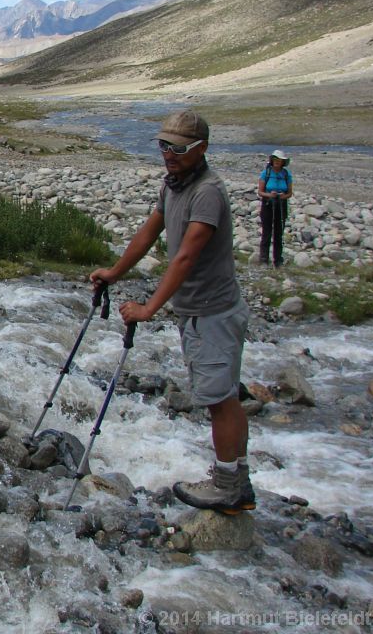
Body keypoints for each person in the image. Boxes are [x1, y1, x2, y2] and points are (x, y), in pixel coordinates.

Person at [89, 110, 254, 514]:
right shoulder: (175, 185)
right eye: (164, 145)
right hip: (199, 311)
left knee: (221, 401)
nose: (168, 154)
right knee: (223, 398)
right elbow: (149, 232)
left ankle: (230, 486)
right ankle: (235, 481)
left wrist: (148, 308)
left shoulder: (208, 192)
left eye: (178, 148)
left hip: (214, 311)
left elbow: (184, 258)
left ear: (202, 149)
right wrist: (114, 272)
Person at [257, 149, 293, 267]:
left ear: (283, 162)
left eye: (279, 160)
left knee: (278, 233)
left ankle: (278, 260)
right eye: (275, 159)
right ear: (272, 160)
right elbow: (260, 192)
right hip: (268, 204)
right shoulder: (265, 173)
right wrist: (270, 195)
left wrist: (283, 196)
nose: (277, 162)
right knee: (266, 232)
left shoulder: (286, 175)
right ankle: (264, 260)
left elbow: (289, 193)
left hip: (281, 205)